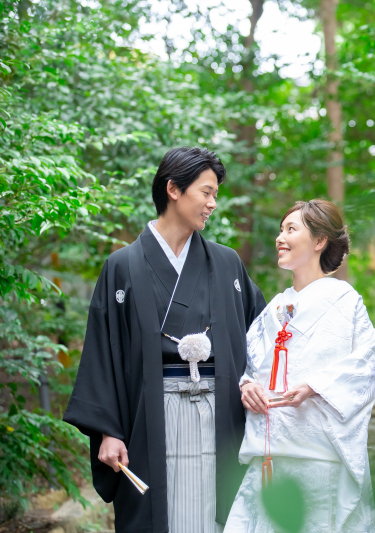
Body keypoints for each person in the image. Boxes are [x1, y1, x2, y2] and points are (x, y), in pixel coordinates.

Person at [64, 147, 267, 533]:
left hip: (218, 416)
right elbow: (102, 354)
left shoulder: (226, 264)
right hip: (148, 418)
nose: (212, 203)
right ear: (173, 189)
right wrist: (109, 430)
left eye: (215, 196)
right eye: (206, 192)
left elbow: (263, 335)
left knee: (218, 516)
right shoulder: (122, 266)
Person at [224, 199, 375, 533]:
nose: (280, 237)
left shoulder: (345, 300)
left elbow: (369, 364)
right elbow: (249, 364)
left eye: (291, 229)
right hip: (270, 455)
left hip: (318, 459)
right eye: (281, 230)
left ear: (319, 241)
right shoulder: (275, 307)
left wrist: (315, 386)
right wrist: (247, 385)